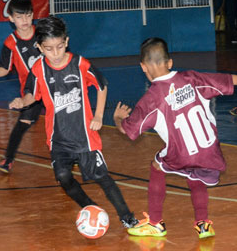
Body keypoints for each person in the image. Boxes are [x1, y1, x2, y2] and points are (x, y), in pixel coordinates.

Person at [113, 37, 237, 238]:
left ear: (143, 67)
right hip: (209, 152)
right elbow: (227, 80)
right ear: (170, 63)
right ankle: (203, 224)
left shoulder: (151, 99)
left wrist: (118, 119)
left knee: (157, 165)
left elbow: (128, 131)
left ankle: (155, 223)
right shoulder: (192, 79)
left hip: (181, 154)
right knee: (196, 174)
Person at [8, 16, 139, 229]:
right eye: (49, 49)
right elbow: (32, 95)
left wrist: (98, 116)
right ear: (40, 47)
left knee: (102, 177)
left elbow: (101, 85)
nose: (56, 53)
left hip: (85, 136)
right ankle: (91, 208)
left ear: (66, 42)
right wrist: (22, 101)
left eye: (60, 47)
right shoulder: (38, 69)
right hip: (58, 138)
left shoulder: (80, 64)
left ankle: (127, 216)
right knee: (62, 176)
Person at [0, 0, 43, 173]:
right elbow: (5, 67)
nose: (24, 20)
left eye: (27, 15)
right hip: (31, 91)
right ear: (11, 19)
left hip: (52, 86)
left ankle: (73, 156)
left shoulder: (43, 33)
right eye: (19, 17)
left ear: (33, 15)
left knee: (64, 120)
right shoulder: (11, 43)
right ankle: (8, 160)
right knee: (22, 123)